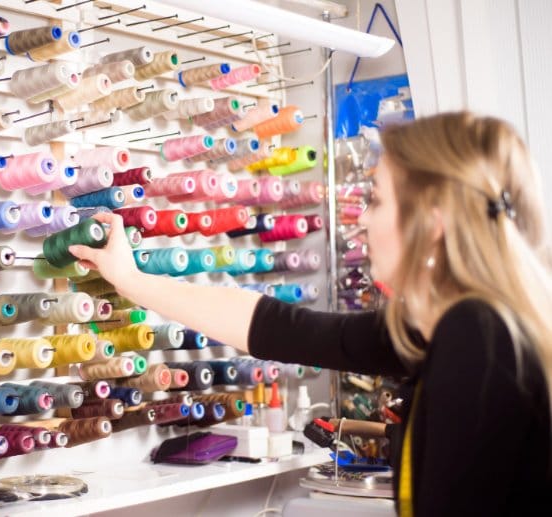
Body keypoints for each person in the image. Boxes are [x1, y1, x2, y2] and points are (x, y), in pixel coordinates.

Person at [69, 112, 552, 516]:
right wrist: (131, 281)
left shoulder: (478, 339)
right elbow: (284, 330)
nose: (362, 218)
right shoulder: (460, 326)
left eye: (377, 199)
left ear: (433, 222)